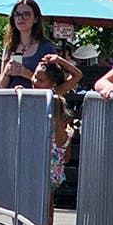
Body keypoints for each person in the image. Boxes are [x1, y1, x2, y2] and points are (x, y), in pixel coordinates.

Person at [28, 54, 80, 190]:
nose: (35, 82)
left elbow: (77, 75)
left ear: (52, 84)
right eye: (34, 77)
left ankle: (48, 211)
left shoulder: (54, 94)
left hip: (49, 150)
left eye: (40, 80)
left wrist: (58, 60)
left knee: (47, 193)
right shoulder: (27, 95)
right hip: (32, 148)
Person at [0, 0, 59, 88]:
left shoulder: (46, 48)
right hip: (12, 98)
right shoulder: (9, 46)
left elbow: (52, 84)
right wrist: (6, 73)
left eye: (26, 15)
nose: (20, 18)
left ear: (35, 19)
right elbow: (2, 85)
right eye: (17, 14)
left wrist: (25, 73)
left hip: (36, 98)